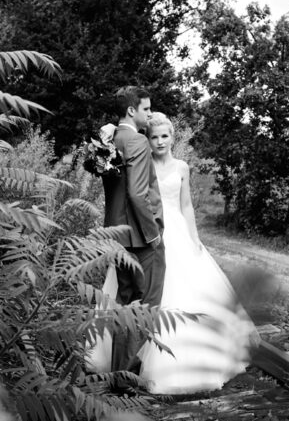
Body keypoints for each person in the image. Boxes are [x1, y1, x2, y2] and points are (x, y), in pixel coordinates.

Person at [133, 112, 255, 394]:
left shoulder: (182, 167)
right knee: (159, 291)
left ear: (172, 138)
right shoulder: (144, 165)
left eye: (165, 136)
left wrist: (194, 236)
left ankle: (203, 359)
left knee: (193, 290)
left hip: (178, 230)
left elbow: (186, 205)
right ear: (148, 140)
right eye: (154, 137)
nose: (160, 142)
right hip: (154, 231)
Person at [100, 86, 166, 374]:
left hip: (116, 235)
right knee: (145, 305)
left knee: (126, 302)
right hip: (140, 238)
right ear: (131, 110)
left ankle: (119, 372)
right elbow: (138, 194)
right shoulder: (137, 141)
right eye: (146, 109)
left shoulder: (109, 138)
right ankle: (126, 375)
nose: (150, 114)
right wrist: (154, 234)